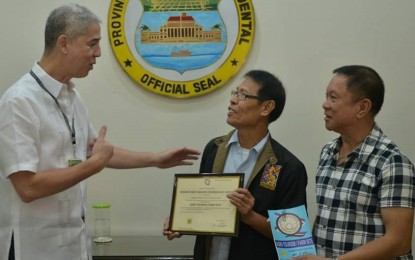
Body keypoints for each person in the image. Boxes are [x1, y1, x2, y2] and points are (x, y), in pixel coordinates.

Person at [0, 4, 200, 260]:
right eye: (92, 44)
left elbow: (97, 150)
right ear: (64, 44)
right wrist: (92, 166)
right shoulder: (19, 101)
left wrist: (155, 159)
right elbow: (27, 187)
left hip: (74, 244)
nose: (99, 53)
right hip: (35, 247)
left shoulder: (72, 96)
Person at [163, 70, 308, 260]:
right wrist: (182, 221)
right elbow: (206, 205)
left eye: (243, 95)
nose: (233, 100)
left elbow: (294, 240)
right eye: (234, 93)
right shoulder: (214, 149)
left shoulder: (287, 166)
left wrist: (250, 217)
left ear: (266, 107)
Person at [293, 65, 415, 260]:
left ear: (362, 108)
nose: (325, 104)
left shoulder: (392, 163)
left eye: (333, 97)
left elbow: (399, 241)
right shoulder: (327, 152)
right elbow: (326, 220)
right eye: (326, 96)